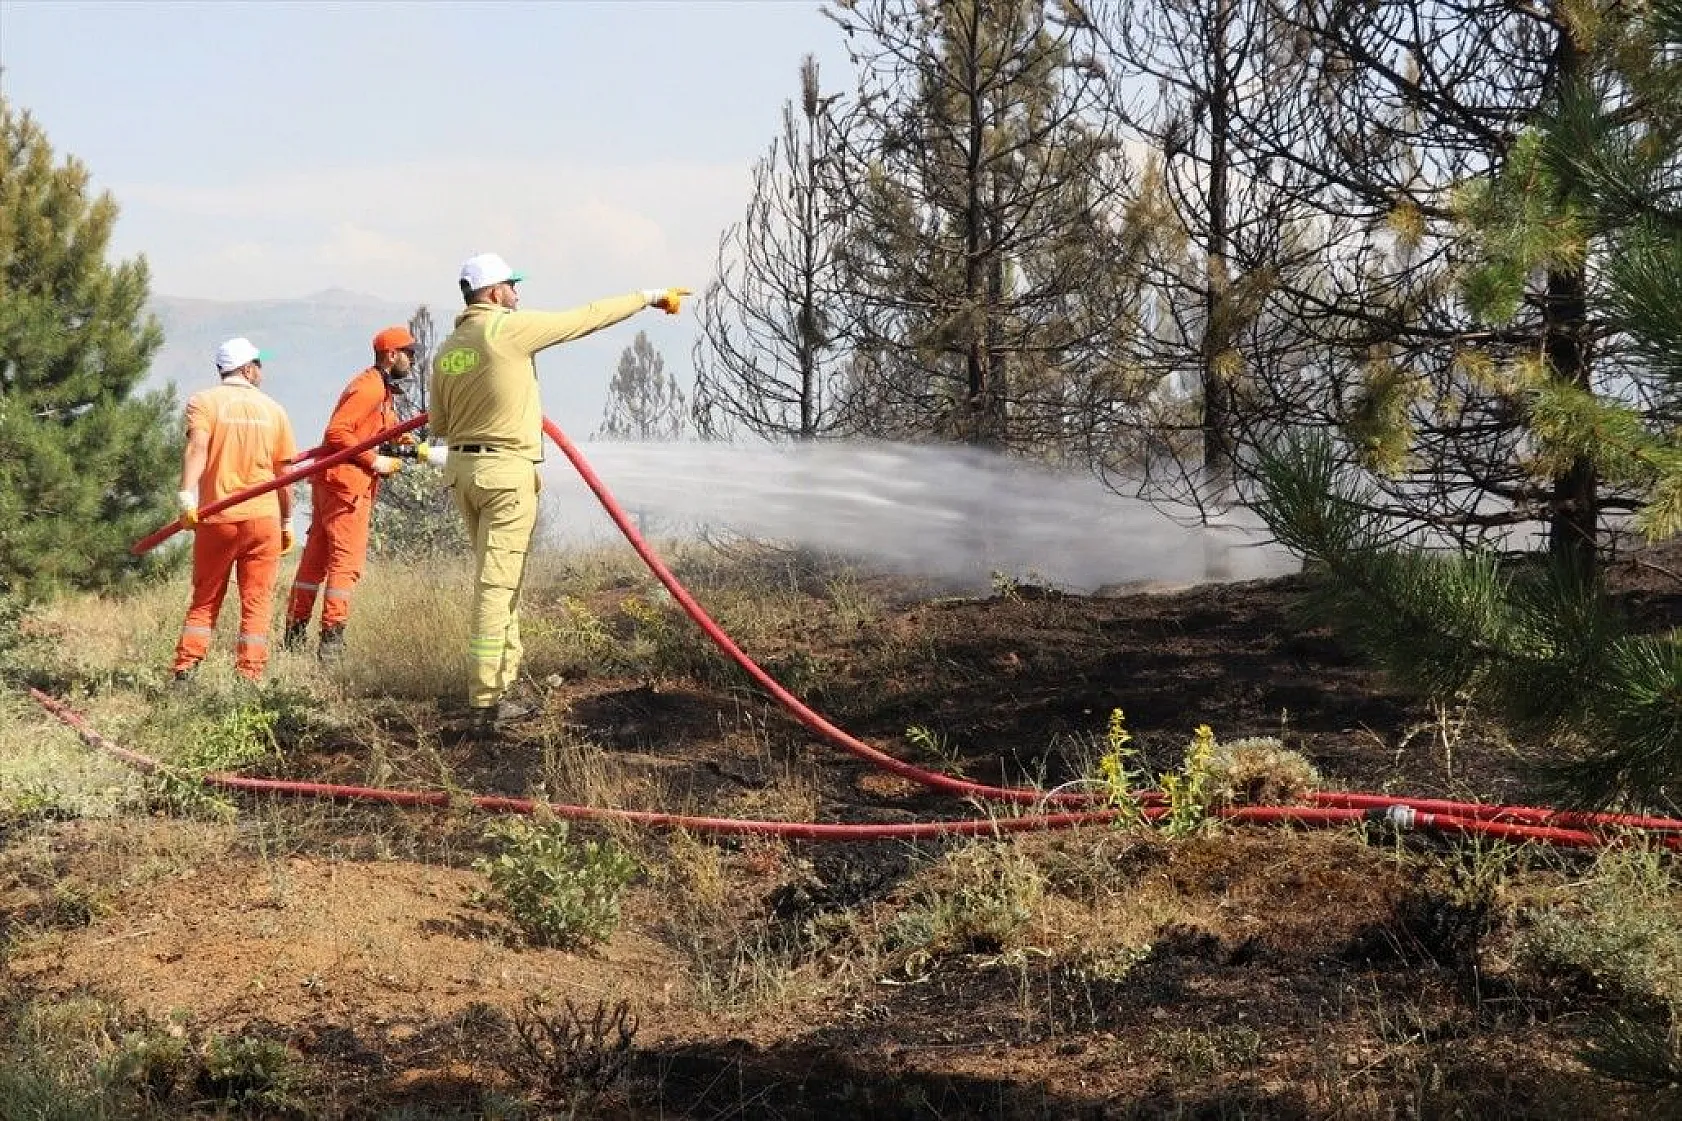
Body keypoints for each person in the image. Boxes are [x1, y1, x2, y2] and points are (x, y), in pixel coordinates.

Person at [430, 251, 688, 733]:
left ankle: (500, 685)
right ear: (492, 293)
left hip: (465, 473)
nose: (517, 294)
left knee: (499, 579)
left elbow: (440, 425)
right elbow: (583, 319)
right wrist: (648, 297)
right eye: (511, 286)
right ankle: (485, 704)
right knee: (496, 586)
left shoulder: (448, 348)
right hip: (506, 474)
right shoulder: (506, 329)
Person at [283, 325, 418, 659]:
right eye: (409, 353)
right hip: (348, 488)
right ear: (391, 355)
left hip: (334, 485)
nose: (413, 361)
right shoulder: (370, 389)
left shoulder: (379, 389)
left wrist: (402, 441)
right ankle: (332, 644)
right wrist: (375, 461)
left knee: (314, 562)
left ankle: (294, 634)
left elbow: (374, 428)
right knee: (346, 563)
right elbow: (338, 432)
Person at [172, 337, 298, 682]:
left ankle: (185, 671)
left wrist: (186, 495)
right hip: (263, 519)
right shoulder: (275, 410)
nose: (262, 370)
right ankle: (249, 677)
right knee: (257, 603)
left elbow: (197, 449)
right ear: (246, 369)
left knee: (205, 598)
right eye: (258, 364)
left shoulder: (204, 403)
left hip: (219, 518)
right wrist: (287, 522)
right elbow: (284, 476)